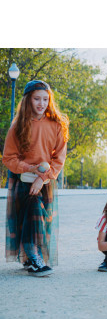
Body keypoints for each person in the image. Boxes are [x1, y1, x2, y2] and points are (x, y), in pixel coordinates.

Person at [2, 80, 69, 276]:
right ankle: (33, 257)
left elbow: (59, 159)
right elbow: (8, 157)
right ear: (28, 100)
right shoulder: (17, 126)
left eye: (45, 99)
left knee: (40, 218)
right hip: (22, 178)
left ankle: (32, 256)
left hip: (46, 180)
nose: (41, 103)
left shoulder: (57, 125)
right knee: (30, 214)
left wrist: (42, 178)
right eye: (37, 99)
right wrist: (29, 169)